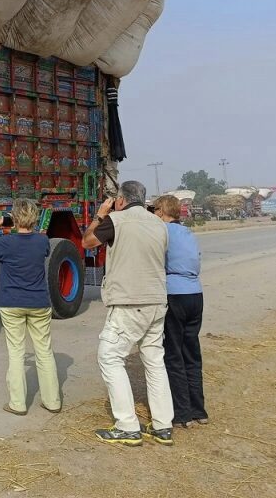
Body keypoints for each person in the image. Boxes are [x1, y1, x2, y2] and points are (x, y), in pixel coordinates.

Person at [82, 180, 174, 447]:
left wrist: (101, 214)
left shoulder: (115, 220)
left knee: (110, 357)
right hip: (157, 299)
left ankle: (127, 426)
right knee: (155, 361)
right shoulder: (159, 224)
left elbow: (87, 242)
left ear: (120, 199)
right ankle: (162, 425)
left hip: (129, 301)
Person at [0, 198, 61, 415]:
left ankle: (18, 403)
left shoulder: (6, 242)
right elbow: (40, 252)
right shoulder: (43, 241)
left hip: (11, 302)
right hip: (39, 303)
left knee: (16, 353)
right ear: (34, 218)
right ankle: (52, 401)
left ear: (14, 219)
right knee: (44, 351)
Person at [153, 195, 208, 428]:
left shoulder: (162, 232)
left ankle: (182, 413)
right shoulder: (188, 233)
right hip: (195, 294)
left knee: (173, 354)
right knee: (191, 352)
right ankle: (199, 410)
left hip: (174, 294)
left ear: (162, 211)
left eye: (155, 210)